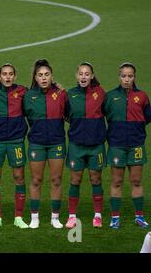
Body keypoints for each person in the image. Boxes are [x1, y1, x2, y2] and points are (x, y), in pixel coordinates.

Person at [104, 62, 151, 229]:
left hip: (136, 145)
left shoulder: (143, 96)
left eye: (130, 76)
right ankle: (115, 217)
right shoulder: (109, 96)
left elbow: (147, 117)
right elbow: (102, 114)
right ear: (119, 77)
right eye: (123, 76)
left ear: (134, 77)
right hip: (116, 144)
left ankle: (139, 216)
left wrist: (135, 130)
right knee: (116, 181)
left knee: (136, 180)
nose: (126, 79)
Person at [23, 59, 68, 229]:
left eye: (47, 75)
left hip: (57, 142)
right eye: (40, 75)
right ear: (35, 77)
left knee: (56, 179)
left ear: (51, 76)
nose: (43, 78)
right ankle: (34, 218)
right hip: (36, 143)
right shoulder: (28, 96)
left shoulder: (62, 94)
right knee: (36, 179)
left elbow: (69, 114)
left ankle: (55, 218)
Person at [0, 64, 29, 230]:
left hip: (16, 141)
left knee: (19, 176)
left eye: (11, 74)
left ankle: (18, 216)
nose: (8, 77)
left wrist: (57, 86)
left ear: (15, 76)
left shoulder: (24, 92)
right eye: (4, 74)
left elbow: (40, 95)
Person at [64, 62, 106, 229]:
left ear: (92, 76)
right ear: (76, 76)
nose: (83, 76)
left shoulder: (101, 93)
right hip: (76, 145)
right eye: (81, 73)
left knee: (96, 179)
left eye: (87, 74)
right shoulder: (70, 94)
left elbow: (107, 112)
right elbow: (66, 114)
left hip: (96, 145)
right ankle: (72, 216)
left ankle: (97, 216)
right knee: (75, 180)